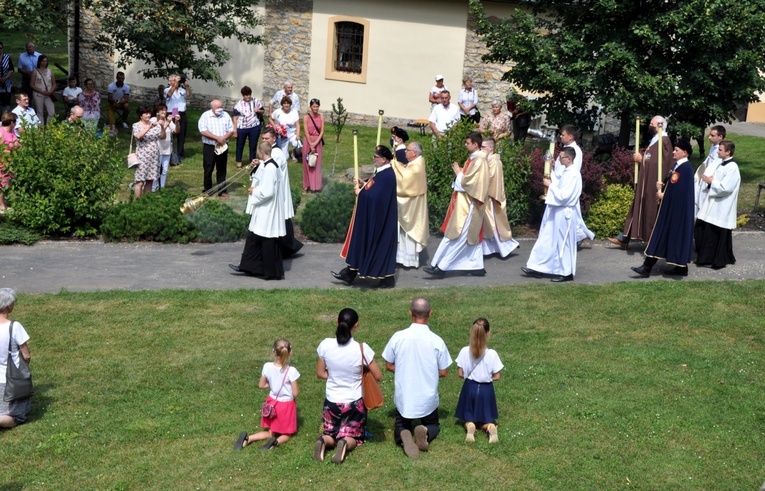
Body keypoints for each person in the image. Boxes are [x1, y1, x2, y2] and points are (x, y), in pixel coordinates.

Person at [382, 298, 452, 458]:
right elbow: (444, 372)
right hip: (427, 398)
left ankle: (403, 434)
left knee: (401, 423)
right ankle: (425, 432)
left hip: (405, 397)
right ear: (430, 314)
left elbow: (388, 365)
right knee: (433, 423)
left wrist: (404, 371)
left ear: (410, 313)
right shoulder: (437, 341)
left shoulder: (398, 337)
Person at [314, 308, 384, 464]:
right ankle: (345, 443)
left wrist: (334, 375)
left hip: (331, 401)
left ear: (337, 322)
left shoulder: (325, 345)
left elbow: (320, 373)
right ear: (356, 325)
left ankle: (324, 441)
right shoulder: (362, 349)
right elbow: (378, 376)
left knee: (330, 433)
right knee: (355, 436)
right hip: (354, 402)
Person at [424, 132, 489, 277]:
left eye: (467, 143)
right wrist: (460, 174)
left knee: (459, 236)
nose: (465, 145)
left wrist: (459, 173)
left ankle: (442, 267)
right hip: (464, 202)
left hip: (470, 205)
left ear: (475, 144)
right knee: (467, 237)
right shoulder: (473, 159)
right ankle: (476, 266)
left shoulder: (479, 162)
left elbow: (471, 184)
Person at [332, 145, 398, 288]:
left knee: (378, 246)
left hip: (381, 220)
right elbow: (374, 188)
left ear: (384, 159)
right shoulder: (381, 172)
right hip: (375, 217)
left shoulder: (387, 175)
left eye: (376, 157)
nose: (373, 159)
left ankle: (386, 279)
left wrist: (360, 193)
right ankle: (349, 274)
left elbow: (376, 197)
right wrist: (364, 185)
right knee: (364, 242)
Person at [630, 139, 695, 278]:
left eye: (676, 150)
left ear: (685, 153)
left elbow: (680, 192)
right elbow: (673, 185)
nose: (673, 152)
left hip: (676, 211)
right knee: (667, 236)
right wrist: (664, 185)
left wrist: (663, 194)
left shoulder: (686, 169)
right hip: (670, 210)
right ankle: (680, 267)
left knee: (661, 234)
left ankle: (647, 267)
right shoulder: (677, 166)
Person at [608, 115, 673, 249]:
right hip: (645, 181)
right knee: (637, 206)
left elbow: (661, 162)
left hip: (653, 183)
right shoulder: (655, 139)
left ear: (660, 125)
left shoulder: (664, 140)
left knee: (649, 209)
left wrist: (642, 159)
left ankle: (649, 241)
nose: (650, 125)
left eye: (652, 123)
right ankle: (625, 237)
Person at [522, 147, 582, 282]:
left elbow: (564, 195)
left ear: (569, 159)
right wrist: (552, 174)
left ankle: (566, 272)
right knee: (547, 238)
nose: (559, 159)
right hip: (557, 211)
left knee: (563, 243)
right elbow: (560, 184)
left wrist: (550, 185)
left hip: (564, 212)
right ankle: (537, 267)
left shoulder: (573, 174)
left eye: (561, 157)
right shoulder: (567, 172)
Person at [229, 141, 285, 280]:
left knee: (265, 240)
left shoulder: (270, 168)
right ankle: (248, 266)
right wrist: (258, 165)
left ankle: (269, 272)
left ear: (261, 152)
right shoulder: (268, 164)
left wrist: (254, 191)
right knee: (254, 238)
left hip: (267, 209)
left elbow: (268, 192)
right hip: (264, 208)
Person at [233, 338, 299, 451]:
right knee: (288, 434)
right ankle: (275, 443)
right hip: (286, 405)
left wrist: (273, 384)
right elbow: (295, 393)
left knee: (270, 432)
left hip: (272, 403)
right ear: (290, 352)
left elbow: (261, 385)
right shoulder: (291, 371)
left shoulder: (267, 366)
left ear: (273, 352)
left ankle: (248, 439)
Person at [455, 318, 503, 444]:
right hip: (486, 389)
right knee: (486, 417)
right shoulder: (492, 354)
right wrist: (488, 378)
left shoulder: (464, 351)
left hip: (469, 387)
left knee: (468, 416)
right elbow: (497, 376)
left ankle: (470, 425)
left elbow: (460, 373)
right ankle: (489, 427)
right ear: (488, 333)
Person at [694, 140, 741, 270]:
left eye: (720, 150)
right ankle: (705, 257)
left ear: (728, 152)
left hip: (722, 206)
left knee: (714, 233)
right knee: (701, 229)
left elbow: (725, 188)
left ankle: (714, 259)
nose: (718, 151)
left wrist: (711, 181)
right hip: (712, 204)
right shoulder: (720, 164)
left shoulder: (732, 168)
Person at [261, 126, 303, 258]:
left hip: (278, 191)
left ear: (274, 139)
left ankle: (289, 247)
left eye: (266, 138)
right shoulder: (269, 151)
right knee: (282, 220)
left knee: (282, 220)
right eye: (262, 138)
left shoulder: (277, 153)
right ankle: (288, 247)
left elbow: (271, 168)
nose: (264, 141)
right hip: (274, 190)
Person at [555, 125, 595, 246]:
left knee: (572, 216)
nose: (560, 136)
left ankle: (578, 236)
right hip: (560, 185)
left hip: (567, 188)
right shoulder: (566, 148)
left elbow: (573, 170)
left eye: (563, 134)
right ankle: (574, 236)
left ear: (570, 136)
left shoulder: (575, 151)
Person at [392, 141, 429, 268]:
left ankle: (409, 260)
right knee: (403, 233)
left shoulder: (417, 166)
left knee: (409, 232)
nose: (405, 152)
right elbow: (406, 170)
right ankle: (402, 258)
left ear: (414, 153)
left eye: (407, 150)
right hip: (410, 204)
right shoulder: (416, 162)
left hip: (412, 207)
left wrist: (394, 163)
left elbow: (405, 180)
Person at [481, 138, 519, 257]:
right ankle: (488, 249)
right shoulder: (487, 159)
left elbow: (490, 178)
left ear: (490, 148)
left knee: (494, 225)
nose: (481, 150)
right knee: (487, 224)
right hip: (486, 196)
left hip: (491, 197)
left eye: (483, 147)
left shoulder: (495, 162)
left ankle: (506, 247)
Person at [0, 288, 32, 429]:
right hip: (11, 381)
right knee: (17, 416)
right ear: (8, 306)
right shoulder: (14, 326)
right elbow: (26, 355)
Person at [197, 99, 234, 197]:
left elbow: (231, 129)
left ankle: (222, 190)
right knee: (208, 168)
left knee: (222, 168)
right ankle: (207, 190)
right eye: (218, 107)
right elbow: (203, 130)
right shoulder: (205, 116)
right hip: (210, 146)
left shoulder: (226, 115)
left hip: (222, 146)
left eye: (221, 107)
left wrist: (224, 138)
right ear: (212, 107)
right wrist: (217, 138)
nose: (220, 109)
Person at [131, 106, 164, 198]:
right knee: (140, 181)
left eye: (149, 113)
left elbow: (162, 136)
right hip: (142, 155)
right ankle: (137, 204)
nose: (148, 115)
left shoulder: (155, 124)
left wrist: (162, 126)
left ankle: (146, 202)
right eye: (146, 113)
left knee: (150, 180)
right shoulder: (136, 125)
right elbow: (138, 136)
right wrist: (149, 127)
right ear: (140, 116)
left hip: (154, 155)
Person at [694, 125, 726, 217]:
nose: (709, 137)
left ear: (720, 137)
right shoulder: (713, 146)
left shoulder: (720, 151)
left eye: (712, 135)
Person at [232, 85, 264, 170]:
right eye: (246, 95)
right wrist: (235, 131)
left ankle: (252, 163)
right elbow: (235, 118)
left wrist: (258, 110)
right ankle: (239, 163)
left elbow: (263, 111)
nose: (248, 96)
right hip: (242, 127)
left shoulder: (256, 101)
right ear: (243, 95)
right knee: (240, 145)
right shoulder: (239, 104)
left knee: (253, 145)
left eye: (249, 94)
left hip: (254, 126)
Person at [152, 103, 180, 191]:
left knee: (164, 170)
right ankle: (153, 188)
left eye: (164, 109)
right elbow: (159, 133)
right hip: (157, 148)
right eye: (161, 110)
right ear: (157, 111)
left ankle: (162, 187)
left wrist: (176, 121)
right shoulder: (154, 120)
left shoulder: (167, 119)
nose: (163, 111)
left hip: (167, 148)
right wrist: (167, 122)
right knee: (156, 170)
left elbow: (176, 131)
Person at [164, 74, 192, 159]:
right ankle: (169, 152)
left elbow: (188, 96)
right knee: (171, 134)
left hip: (181, 112)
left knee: (182, 134)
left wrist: (187, 87)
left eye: (177, 80)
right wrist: (175, 83)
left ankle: (180, 153)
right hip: (173, 111)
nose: (176, 82)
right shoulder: (167, 89)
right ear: (169, 82)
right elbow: (169, 94)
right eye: (174, 80)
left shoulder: (182, 90)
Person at [302, 97, 324, 193]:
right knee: (307, 163)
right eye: (314, 106)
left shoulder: (321, 117)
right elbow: (306, 131)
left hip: (317, 141)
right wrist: (311, 144)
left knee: (316, 164)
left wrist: (315, 143)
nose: (316, 108)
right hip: (308, 141)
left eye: (317, 106)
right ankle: (306, 186)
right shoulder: (306, 117)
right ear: (310, 107)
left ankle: (316, 186)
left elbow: (322, 131)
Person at [270, 96, 301, 161]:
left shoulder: (294, 112)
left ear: (290, 104)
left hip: (292, 134)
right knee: (284, 157)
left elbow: (297, 124)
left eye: (288, 103)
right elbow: (270, 119)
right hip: (283, 136)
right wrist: (274, 126)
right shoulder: (278, 112)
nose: (286, 105)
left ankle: (294, 154)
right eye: (284, 103)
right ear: (282, 104)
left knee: (297, 144)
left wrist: (298, 135)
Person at [1, 111, 19, 213]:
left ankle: (6, 203)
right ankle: (1, 205)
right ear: (11, 122)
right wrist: (10, 151)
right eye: (15, 121)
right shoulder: (1, 133)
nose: (16, 124)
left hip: (11, 162)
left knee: (9, 183)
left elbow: (16, 142)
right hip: (3, 162)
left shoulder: (12, 132)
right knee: (2, 184)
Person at [29, 55, 55, 125]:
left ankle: (49, 126)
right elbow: (31, 84)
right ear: (40, 62)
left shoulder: (50, 72)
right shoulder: (35, 72)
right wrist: (41, 91)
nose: (44, 63)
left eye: (46, 61)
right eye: (43, 61)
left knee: (52, 112)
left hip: (48, 94)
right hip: (38, 94)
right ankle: (41, 127)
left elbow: (54, 84)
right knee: (40, 112)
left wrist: (51, 91)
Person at [107, 72, 131, 136]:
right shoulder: (111, 86)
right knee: (109, 107)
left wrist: (119, 102)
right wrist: (114, 102)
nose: (121, 80)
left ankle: (124, 121)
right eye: (119, 78)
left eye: (122, 78)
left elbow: (126, 99)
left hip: (121, 103)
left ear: (124, 78)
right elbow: (109, 98)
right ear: (116, 78)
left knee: (127, 106)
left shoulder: (126, 87)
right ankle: (112, 124)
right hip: (112, 102)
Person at [0, 42, 14, 112]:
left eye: (0, 48)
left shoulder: (7, 57)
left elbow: (11, 70)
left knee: (6, 104)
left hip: (6, 84)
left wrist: (5, 77)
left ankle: (4, 120)